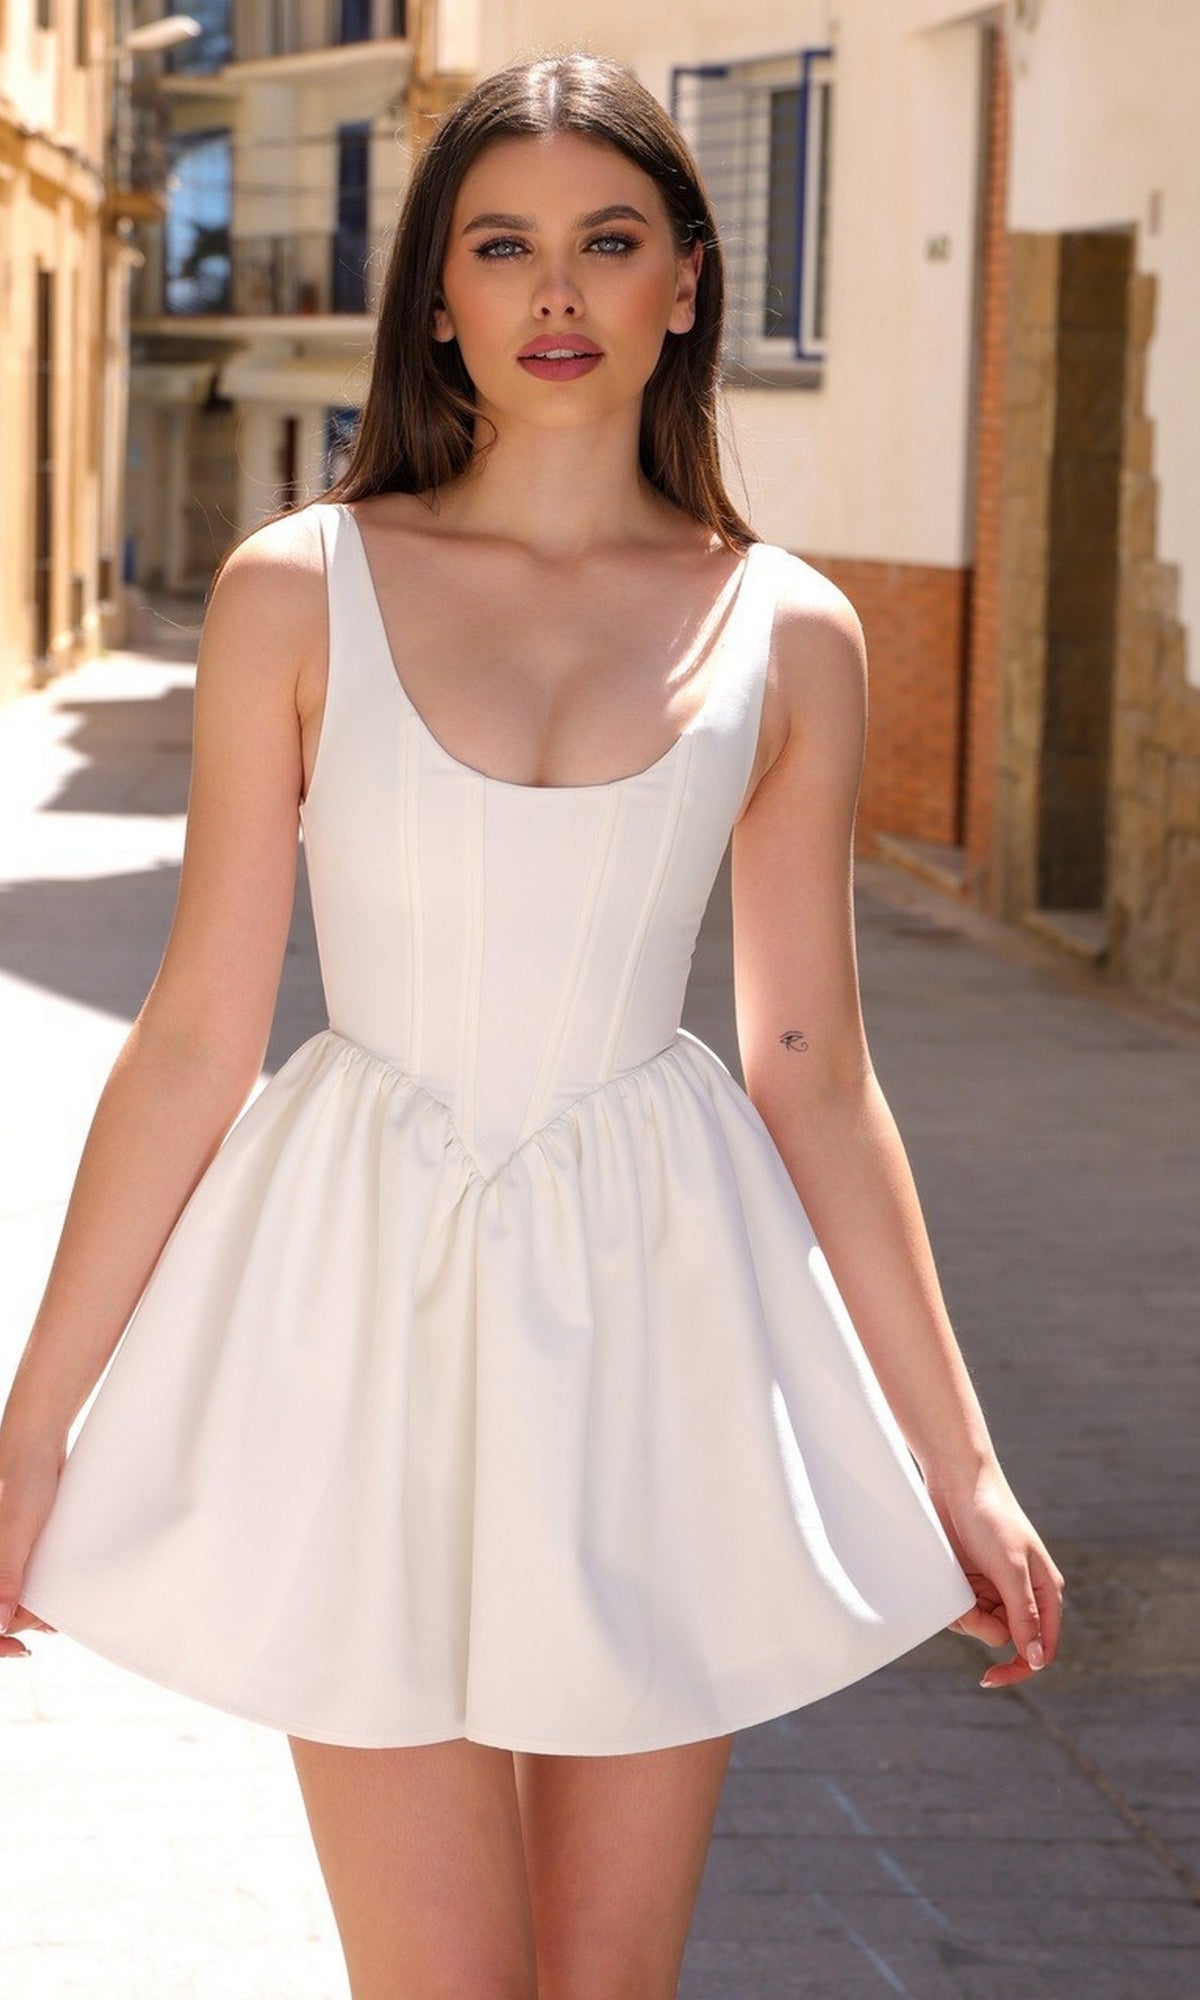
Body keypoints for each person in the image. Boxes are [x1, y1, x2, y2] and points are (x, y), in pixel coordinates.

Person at [0, 50, 1064, 2000]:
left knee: (606, 1988)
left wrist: (962, 1459)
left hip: (659, 1317)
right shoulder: (293, 593)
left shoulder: (792, 629)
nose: (556, 293)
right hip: (362, 1301)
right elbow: (194, 1032)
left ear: (687, 282)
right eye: (504, 247)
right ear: (438, 297)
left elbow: (814, 1069)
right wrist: (31, 1419)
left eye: (607, 243)